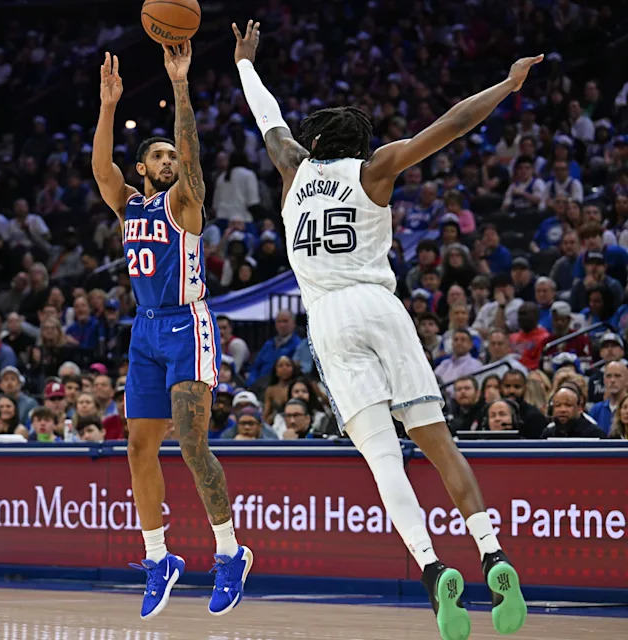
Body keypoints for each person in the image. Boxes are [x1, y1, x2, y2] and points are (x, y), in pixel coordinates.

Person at [233, 20, 532, 637]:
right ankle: (493, 553)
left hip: (331, 319)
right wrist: (505, 85)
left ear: (314, 140)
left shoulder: (292, 171)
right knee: (437, 442)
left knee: (383, 462)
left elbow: (269, 120)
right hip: (381, 307)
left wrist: (244, 64)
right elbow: (448, 126)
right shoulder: (375, 169)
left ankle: (430, 571)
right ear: (356, 140)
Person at [92, 46, 251, 619]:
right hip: (145, 332)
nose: (166, 161)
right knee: (139, 447)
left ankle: (230, 552)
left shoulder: (184, 203)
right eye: (156, 156)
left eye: (169, 156)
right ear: (142, 167)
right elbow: (101, 170)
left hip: (188, 326)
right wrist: (108, 106)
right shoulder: (128, 204)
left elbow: (191, 153)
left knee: (190, 444)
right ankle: (160, 558)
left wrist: (179, 85)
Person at [542, 386, 607, 438]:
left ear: (579, 408)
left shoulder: (594, 434)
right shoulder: (548, 434)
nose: (562, 410)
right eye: (557, 405)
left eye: (568, 405)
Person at [588, 361, 628, 435]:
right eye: (608, 376)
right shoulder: (596, 410)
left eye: (618, 376)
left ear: (627, 380)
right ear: (604, 380)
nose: (612, 380)